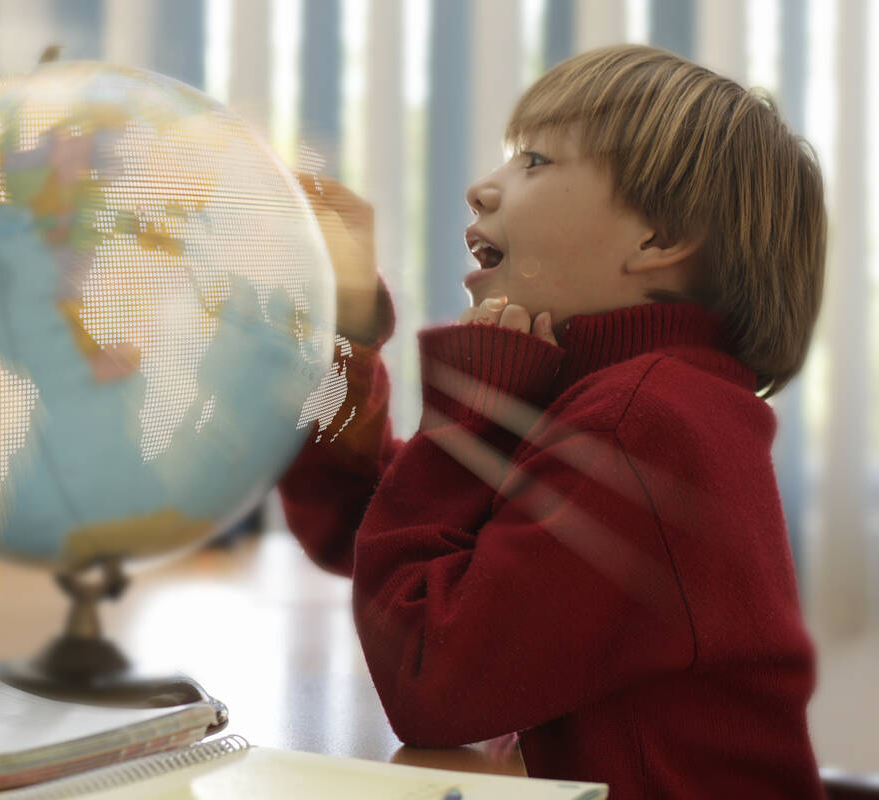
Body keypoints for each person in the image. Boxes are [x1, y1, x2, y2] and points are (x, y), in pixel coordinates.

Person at [279, 44, 826, 798]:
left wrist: (472, 419)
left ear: (659, 238)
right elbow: (371, 523)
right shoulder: (616, 398)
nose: (480, 189)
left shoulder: (645, 424)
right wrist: (344, 336)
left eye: (533, 161)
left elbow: (430, 672)